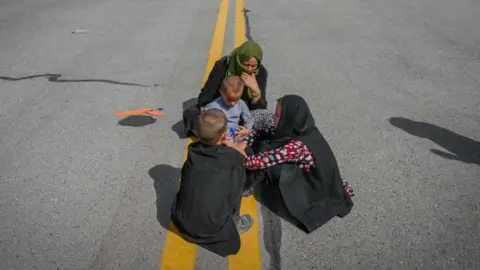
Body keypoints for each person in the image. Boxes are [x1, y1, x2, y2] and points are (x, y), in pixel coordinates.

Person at [242, 95, 355, 233]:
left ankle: (245, 185)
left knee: (267, 159)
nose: (273, 118)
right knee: (267, 140)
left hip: (313, 187)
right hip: (325, 179)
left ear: (289, 118)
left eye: (278, 115)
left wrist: (240, 154)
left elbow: (260, 162)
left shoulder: (296, 147)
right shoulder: (306, 129)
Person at [171, 108, 254, 257]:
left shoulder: (192, 152)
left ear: (197, 133)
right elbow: (246, 163)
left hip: (182, 220)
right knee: (238, 177)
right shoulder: (231, 158)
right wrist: (233, 145)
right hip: (212, 225)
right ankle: (235, 220)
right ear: (223, 136)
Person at [182, 41, 268, 137]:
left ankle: (219, 134)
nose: (249, 69)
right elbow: (207, 94)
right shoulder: (223, 65)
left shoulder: (261, 72)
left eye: (253, 66)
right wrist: (210, 114)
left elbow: (260, 108)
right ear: (239, 60)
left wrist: (255, 91)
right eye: (246, 64)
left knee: (264, 119)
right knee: (191, 114)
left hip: (242, 113)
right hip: (219, 110)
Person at [204, 75, 253, 141]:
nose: (233, 103)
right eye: (229, 100)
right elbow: (205, 119)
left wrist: (247, 129)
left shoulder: (241, 104)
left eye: (236, 100)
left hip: (236, 134)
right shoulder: (215, 106)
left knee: (250, 137)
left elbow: (248, 118)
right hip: (220, 136)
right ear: (221, 92)